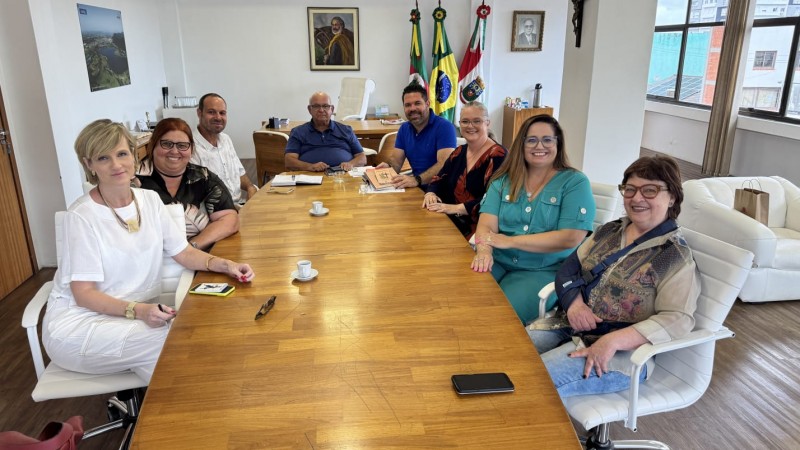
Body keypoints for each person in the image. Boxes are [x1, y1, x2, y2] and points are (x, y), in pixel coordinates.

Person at [42, 119, 254, 383]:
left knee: (175, 370)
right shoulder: (82, 216)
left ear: (133, 155)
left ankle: (172, 418)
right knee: (179, 344)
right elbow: (84, 295)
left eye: (121, 154)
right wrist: (138, 310)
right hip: (81, 326)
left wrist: (226, 265)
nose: (116, 165)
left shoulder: (150, 200)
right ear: (89, 165)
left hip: (135, 319)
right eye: (103, 158)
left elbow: (184, 253)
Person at [529, 155, 700, 398]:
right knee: (511, 352)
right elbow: (569, 270)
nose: (637, 198)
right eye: (630, 190)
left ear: (672, 196)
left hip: (621, 353)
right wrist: (575, 306)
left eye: (650, 190)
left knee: (535, 381)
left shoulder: (674, 256)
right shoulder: (609, 231)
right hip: (569, 325)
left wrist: (614, 341)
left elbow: (678, 319)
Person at [471, 115, 595, 325]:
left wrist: (510, 241)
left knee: (496, 318)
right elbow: (486, 225)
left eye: (548, 139)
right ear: (522, 144)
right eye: (531, 140)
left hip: (542, 270)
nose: (540, 146)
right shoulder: (503, 181)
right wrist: (484, 251)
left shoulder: (574, 182)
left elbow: (570, 238)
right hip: (498, 260)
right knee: (462, 300)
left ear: (558, 143)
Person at [136, 118, 239, 251]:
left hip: (198, 259)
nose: (174, 151)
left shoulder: (203, 177)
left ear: (191, 149)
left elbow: (230, 219)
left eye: (182, 145)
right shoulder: (133, 182)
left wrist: (191, 248)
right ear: (153, 146)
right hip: (150, 261)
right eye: (167, 144)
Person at [422, 101, 507, 239]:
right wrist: (430, 193)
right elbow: (439, 178)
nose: (470, 126)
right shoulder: (459, 152)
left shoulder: (498, 156)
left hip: (480, 231)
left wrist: (455, 208)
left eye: (476, 121)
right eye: (465, 121)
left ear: (487, 123)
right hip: (448, 223)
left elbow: (496, 200)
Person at [378, 82, 457, 189]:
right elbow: (396, 162)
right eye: (408, 105)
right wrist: (388, 166)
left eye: (417, 103)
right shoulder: (404, 128)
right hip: (417, 188)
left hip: (441, 191)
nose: (412, 108)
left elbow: (444, 164)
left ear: (428, 104)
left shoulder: (445, 127)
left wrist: (416, 180)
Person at [190, 93, 258, 205]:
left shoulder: (226, 139)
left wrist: (250, 187)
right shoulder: (191, 147)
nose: (218, 117)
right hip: (216, 212)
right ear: (199, 113)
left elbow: (239, 173)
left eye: (222, 113)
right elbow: (199, 196)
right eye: (211, 112)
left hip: (238, 205)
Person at [284, 92, 366, 172]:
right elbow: (289, 161)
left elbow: (362, 157)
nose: (321, 110)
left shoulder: (346, 130)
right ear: (309, 109)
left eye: (325, 106)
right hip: (310, 176)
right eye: (316, 106)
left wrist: (350, 164)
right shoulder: (298, 132)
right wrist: (310, 167)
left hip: (343, 176)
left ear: (332, 109)